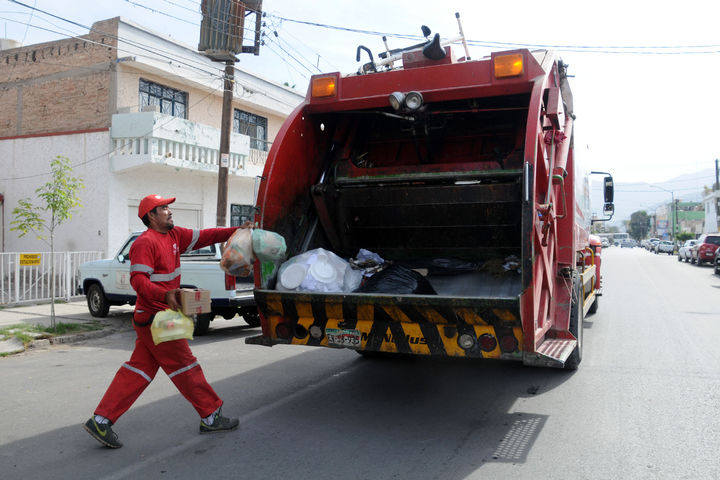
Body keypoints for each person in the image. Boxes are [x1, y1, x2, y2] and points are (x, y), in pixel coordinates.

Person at [84, 194, 244, 448]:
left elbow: (207, 235)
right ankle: (211, 416)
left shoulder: (175, 235)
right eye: (164, 208)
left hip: (156, 317)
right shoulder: (144, 243)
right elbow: (138, 281)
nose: (170, 211)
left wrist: (238, 230)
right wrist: (165, 295)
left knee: (139, 371)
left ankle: (101, 420)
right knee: (186, 366)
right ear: (151, 215)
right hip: (156, 318)